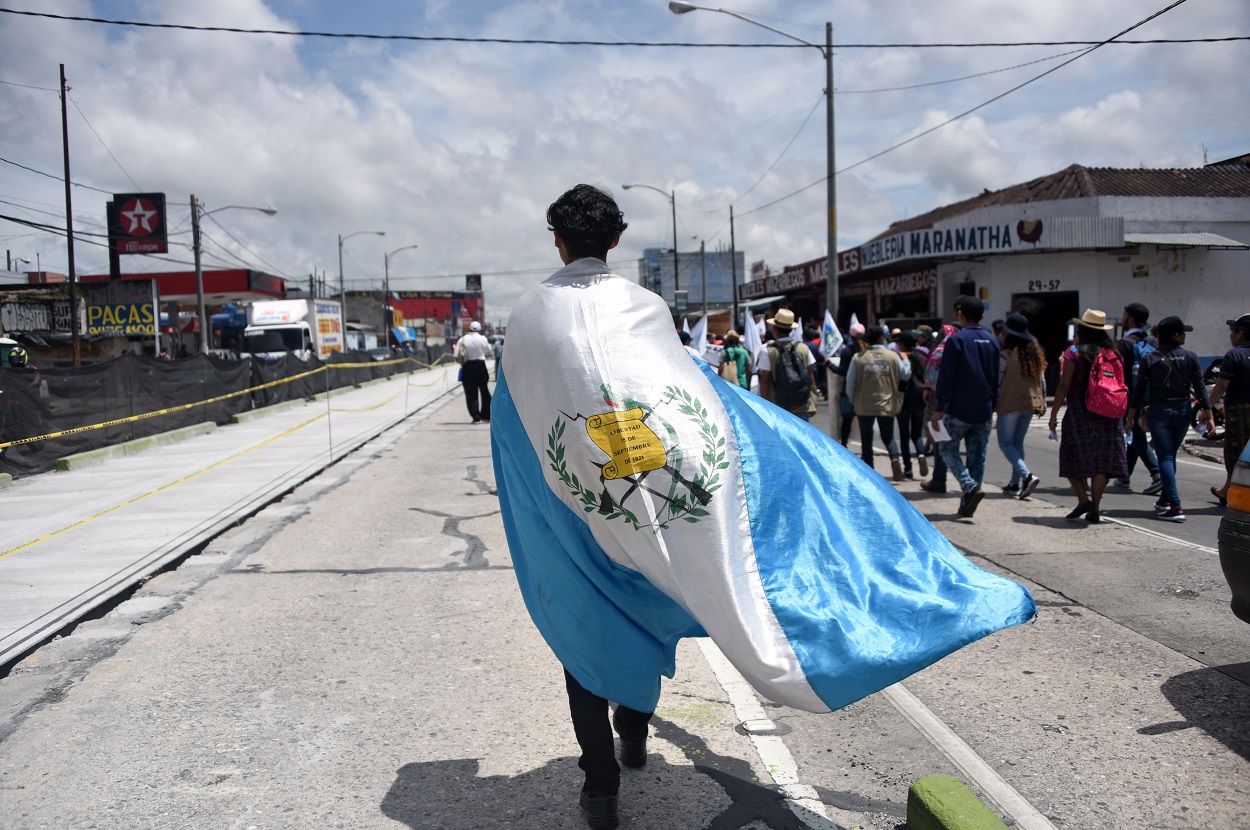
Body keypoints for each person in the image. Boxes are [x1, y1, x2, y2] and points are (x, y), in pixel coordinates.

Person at [491, 184, 1035, 830]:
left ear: (557, 239)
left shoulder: (526, 314)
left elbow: (513, 425)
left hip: (579, 493)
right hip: (659, 484)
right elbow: (685, 389)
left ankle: (602, 787)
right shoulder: (645, 305)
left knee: (587, 624)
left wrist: (548, 511)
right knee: (655, 597)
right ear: (615, 240)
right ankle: (632, 732)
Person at [1125, 316, 1214, 522]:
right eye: (1183, 332)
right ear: (1176, 335)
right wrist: (1208, 411)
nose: (1184, 336)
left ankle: (1175, 506)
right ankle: (1166, 499)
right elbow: (1200, 387)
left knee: (1165, 457)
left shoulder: (1151, 358)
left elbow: (1139, 391)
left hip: (1160, 411)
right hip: (1183, 410)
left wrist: (1130, 416)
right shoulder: (1190, 356)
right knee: (1170, 455)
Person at [1046, 309, 1129, 524]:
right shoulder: (1114, 353)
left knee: (1073, 455)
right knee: (1102, 462)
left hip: (1079, 410)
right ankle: (1096, 508)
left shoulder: (1074, 352)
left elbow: (1064, 385)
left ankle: (1084, 500)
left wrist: (1053, 414)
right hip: (1109, 412)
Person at [930, 296, 1000, 518]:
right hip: (984, 409)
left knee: (946, 449)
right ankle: (967, 502)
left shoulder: (957, 341)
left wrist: (939, 408)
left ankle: (969, 486)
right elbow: (995, 378)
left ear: (960, 313)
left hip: (958, 409)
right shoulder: (992, 341)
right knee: (977, 456)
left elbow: (946, 377)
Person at [846, 325, 909, 479]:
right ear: (882, 338)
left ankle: (870, 471)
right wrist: (906, 361)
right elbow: (905, 375)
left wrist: (853, 399)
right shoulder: (892, 356)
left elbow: (850, 383)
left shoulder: (858, 357)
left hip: (864, 404)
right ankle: (894, 458)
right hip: (886, 402)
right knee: (888, 437)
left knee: (866, 438)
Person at [995, 313, 1047, 499]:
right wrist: (1042, 401)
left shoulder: (1006, 355)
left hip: (1010, 403)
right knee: (1017, 443)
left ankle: (1027, 476)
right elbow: (1042, 380)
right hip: (1029, 403)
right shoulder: (1034, 354)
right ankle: (1014, 483)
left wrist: (994, 401)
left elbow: (998, 381)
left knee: (1006, 443)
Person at [1114, 303, 1162, 494]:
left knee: (1136, 435)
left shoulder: (1124, 344)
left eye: (1124, 314)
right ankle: (1124, 475)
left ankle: (1157, 474)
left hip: (1128, 396)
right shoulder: (1152, 342)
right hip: (1149, 396)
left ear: (1131, 318)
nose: (1123, 318)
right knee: (1134, 434)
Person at [1210, 314, 1250, 506]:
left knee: (1235, 453)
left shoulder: (1234, 355)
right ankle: (1226, 491)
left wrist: (1206, 406)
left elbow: (1221, 386)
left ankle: (1237, 495)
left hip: (1239, 411)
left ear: (1240, 334)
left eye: (1232, 332)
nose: (1231, 336)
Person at [756, 309, 817, 421]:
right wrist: (812, 402)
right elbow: (811, 377)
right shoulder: (804, 348)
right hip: (802, 404)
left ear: (774, 329)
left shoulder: (768, 351)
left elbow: (765, 380)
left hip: (776, 405)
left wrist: (762, 403)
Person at [895, 331, 928, 480]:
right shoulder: (921, 356)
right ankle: (921, 454)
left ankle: (908, 469)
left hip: (904, 399)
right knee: (917, 433)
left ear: (902, 344)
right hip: (919, 398)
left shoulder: (900, 357)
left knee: (904, 435)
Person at [455, 321, 493, 424]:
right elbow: (488, 350)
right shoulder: (482, 338)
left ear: (469, 329)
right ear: (479, 329)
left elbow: (456, 354)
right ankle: (486, 415)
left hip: (468, 366)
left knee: (471, 393)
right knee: (484, 391)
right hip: (481, 365)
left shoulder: (462, 339)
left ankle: (476, 417)